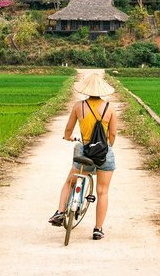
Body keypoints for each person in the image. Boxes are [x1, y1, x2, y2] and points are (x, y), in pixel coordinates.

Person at [48, 73, 117, 240]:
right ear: (102, 91)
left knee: (70, 182)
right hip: (104, 153)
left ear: (86, 90)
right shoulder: (110, 108)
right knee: (102, 192)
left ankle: (60, 211)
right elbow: (113, 134)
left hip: (85, 151)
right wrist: (106, 145)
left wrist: (69, 138)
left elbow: (68, 131)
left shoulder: (79, 106)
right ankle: (98, 229)